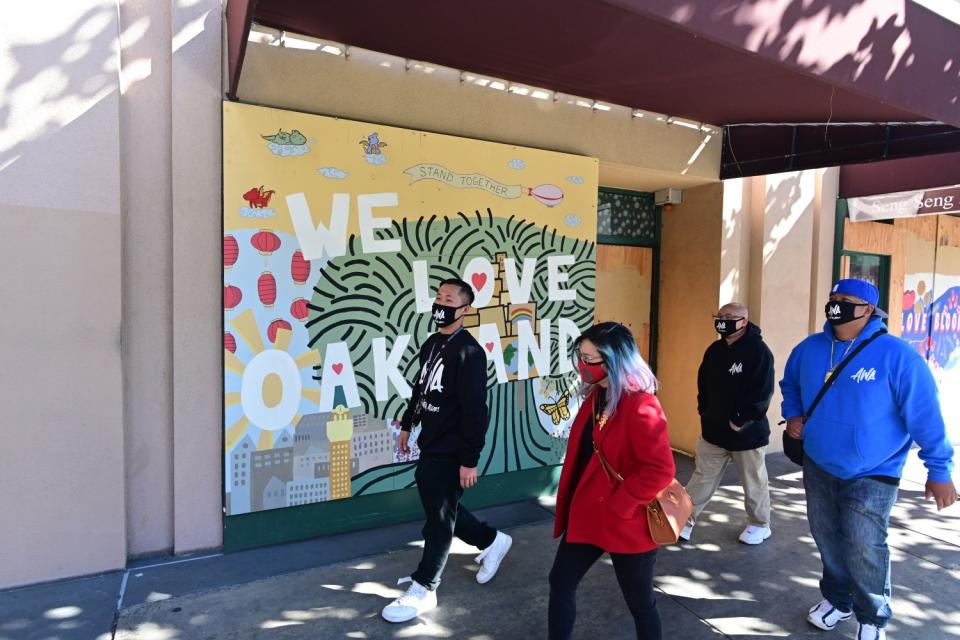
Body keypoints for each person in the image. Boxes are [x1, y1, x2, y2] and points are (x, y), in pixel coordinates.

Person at [781, 278, 957, 640]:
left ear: (868, 309)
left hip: (874, 471)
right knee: (826, 536)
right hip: (819, 464)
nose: (836, 304)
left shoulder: (898, 356)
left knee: (864, 546)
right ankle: (837, 600)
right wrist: (794, 413)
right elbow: (791, 385)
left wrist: (939, 470)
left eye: (845, 299)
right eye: (833, 297)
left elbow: (925, 416)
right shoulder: (809, 349)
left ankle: (872, 617)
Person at [381, 278, 513, 623]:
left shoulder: (469, 353)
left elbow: (475, 410)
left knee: (439, 520)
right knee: (442, 509)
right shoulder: (432, 344)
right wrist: (408, 425)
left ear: (464, 309)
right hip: (431, 442)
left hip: (453, 449)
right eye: (438, 296)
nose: (441, 302)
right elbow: (420, 390)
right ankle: (493, 541)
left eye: (449, 298)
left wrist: (470, 460)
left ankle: (425, 588)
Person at [549, 322, 675, 640]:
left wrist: (621, 503)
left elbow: (660, 469)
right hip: (590, 514)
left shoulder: (641, 404)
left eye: (591, 359)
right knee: (560, 581)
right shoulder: (599, 393)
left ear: (615, 360)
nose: (583, 364)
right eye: (581, 356)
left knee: (641, 604)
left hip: (627, 521)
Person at [681, 302, 775, 545]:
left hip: (747, 434)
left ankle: (759, 523)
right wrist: (704, 411)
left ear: (744, 321)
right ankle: (684, 519)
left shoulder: (758, 351)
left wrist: (740, 420)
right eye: (720, 316)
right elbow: (703, 384)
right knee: (702, 477)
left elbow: (762, 392)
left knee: (753, 481)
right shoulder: (714, 350)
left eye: (730, 316)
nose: (723, 320)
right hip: (713, 431)